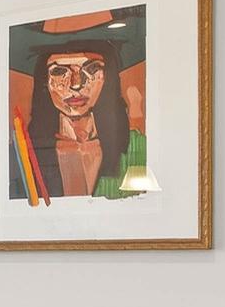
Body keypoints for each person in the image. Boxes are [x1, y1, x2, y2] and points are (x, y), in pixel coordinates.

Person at [11, 11, 147, 200]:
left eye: (92, 68)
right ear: (44, 81)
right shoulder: (22, 154)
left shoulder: (136, 148)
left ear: (108, 77)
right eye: (59, 71)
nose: (76, 84)